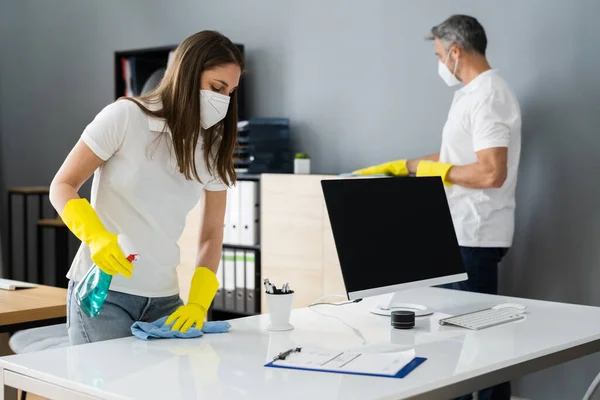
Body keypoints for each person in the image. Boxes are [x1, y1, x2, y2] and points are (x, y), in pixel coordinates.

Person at [354, 15, 521, 400]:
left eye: (438, 54)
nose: (439, 63)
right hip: (461, 232)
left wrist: (439, 170)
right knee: (457, 340)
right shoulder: (471, 94)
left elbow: (492, 172)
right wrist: (407, 165)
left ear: (455, 51)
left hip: (475, 234)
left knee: (475, 346)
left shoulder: (489, 94)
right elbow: (456, 157)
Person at [49, 30, 243, 344]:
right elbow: (63, 184)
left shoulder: (212, 145)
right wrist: (96, 237)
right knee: (104, 392)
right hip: (104, 293)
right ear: (186, 74)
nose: (222, 101)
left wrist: (198, 301)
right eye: (216, 87)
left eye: (230, 92)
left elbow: (211, 234)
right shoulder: (125, 117)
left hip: (165, 298)